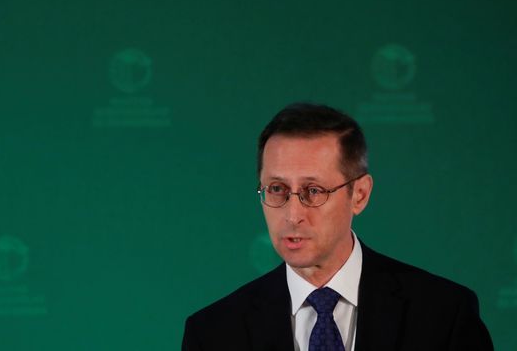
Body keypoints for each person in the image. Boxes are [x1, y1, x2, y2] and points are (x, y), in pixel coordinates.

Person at [182, 103, 494, 350]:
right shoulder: (214, 334)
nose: (293, 214)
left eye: (313, 191)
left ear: (359, 195)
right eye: (277, 189)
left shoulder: (443, 315)